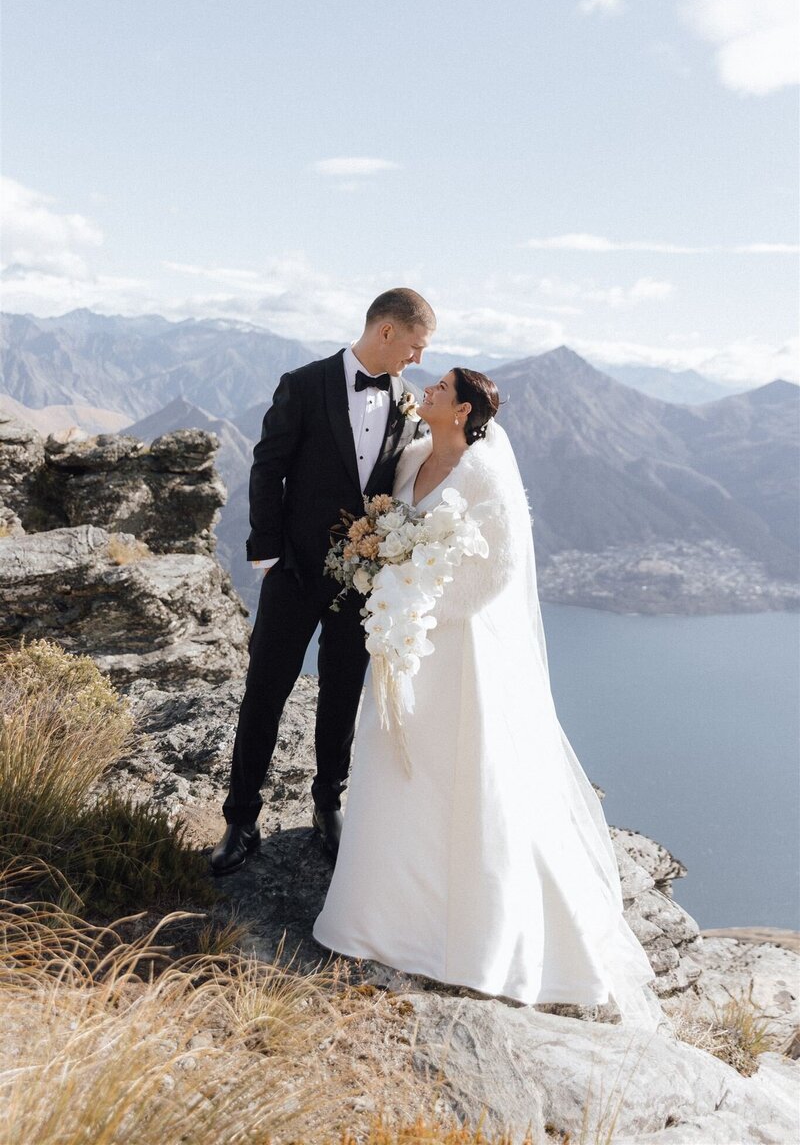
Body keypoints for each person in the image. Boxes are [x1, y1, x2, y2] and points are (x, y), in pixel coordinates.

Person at [312, 368, 668, 1032]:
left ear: (464, 409)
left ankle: (474, 934)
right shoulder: (415, 454)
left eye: (443, 386)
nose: (431, 389)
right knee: (396, 761)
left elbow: (496, 570)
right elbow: (389, 529)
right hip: (404, 636)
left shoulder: (485, 476)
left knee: (460, 771)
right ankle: (380, 914)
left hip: (457, 650)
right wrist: (386, 580)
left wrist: (422, 607)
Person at [210, 289, 433, 875]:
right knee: (265, 692)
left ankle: (327, 805)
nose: (416, 359)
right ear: (387, 332)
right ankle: (240, 819)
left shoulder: (407, 401)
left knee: (342, 695)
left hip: (360, 583)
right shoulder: (304, 384)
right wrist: (266, 553)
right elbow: (268, 467)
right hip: (294, 572)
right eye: (414, 346)